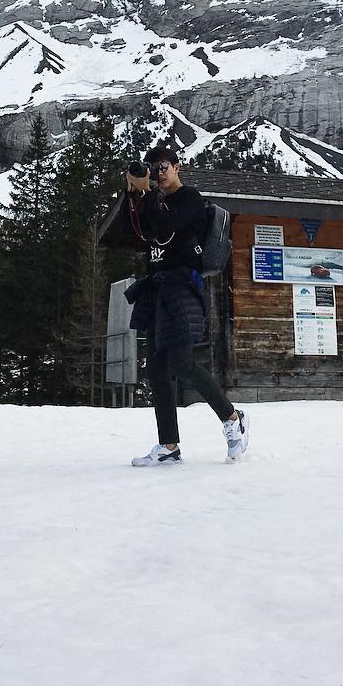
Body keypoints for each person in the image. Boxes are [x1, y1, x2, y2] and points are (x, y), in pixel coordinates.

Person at [120, 146, 249, 466]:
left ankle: (233, 418)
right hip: (157, 291)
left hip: (182, 287)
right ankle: (169, 445)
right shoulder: (152, 202)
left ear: (177, 167)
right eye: (153, 168)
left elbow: (166, 227)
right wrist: (132, 194)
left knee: (181, 363)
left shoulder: (189, 198)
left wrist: (148, 194)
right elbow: (132, 231)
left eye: (163, 166)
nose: (158, 172)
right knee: (157, 371)